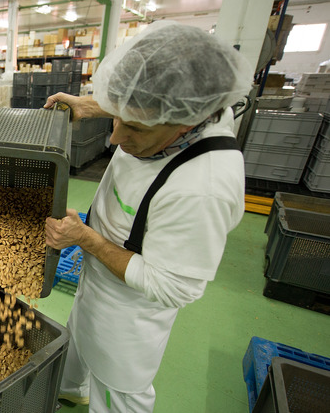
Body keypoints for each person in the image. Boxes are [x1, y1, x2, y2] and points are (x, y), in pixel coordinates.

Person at [43, 21, 252, 412]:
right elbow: (141, 101)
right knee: (78, 334)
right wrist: (93, 104)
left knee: (120, 388)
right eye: (118, 115)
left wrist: (86, 238)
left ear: (186, 123)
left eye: (134, 127)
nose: (116, 139)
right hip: (98, 274)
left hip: (129, 309)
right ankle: (70, 388)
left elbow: (175, 287)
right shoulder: (176, 108)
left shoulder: (202, 187)